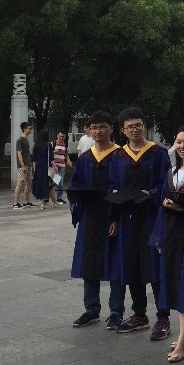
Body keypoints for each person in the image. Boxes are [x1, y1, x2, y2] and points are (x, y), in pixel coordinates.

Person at [108, 107, 172, 339]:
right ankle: (139, 314)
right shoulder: (119, 156)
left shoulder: (158, 153)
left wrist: (151, 194)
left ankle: (163, 317)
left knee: (155, 266)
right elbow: (112, 184)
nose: (134, 129)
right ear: (123, 130)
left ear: (144, 126)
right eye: (129, 127)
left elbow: (167, 183)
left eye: (138, 125)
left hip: (152, 217)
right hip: (127, 218)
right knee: (132, 265)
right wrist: (114, 216)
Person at [150, 126, 184, 361]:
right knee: (176, 279)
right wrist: (159, 236)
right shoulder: (171, 172)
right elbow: (162, 203)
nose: (182, 146)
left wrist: (182, 208)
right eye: (179, 142)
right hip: (172, 234)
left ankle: (182, 341)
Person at [68, 111, 126, 329]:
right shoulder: (85, 158)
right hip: (90, 217)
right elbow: (75, 186)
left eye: (103, 127)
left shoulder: (121, 155)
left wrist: (116, 217)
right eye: (94, 127)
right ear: (89, 131)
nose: (98, 131)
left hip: (112, 216)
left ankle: (116, 311)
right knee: (89, 262)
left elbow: (123, 188)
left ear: (111, 128)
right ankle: (91, 309)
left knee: (115, 264)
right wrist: (77, 201)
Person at [31, 129, 60, 209]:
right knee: (50, 185)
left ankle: (42, 204)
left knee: (40, 185)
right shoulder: (48, 145)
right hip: (47, 168)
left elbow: (34, 159)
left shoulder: (36, 146)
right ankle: (55, 202)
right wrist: (55, 166)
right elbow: (51, 157)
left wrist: (34, 169)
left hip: (39, 168)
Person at [12, 122, 34, 209]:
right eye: (29, 128)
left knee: (29, 182)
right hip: (23, 165)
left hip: (28, 164)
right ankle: (15, 203)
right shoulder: (20, 140)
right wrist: (23, 165)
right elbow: (19, 154)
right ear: (24, 129)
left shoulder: (26, 139)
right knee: (20, 182)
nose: (30, 130)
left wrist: (30, 163)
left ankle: (26, 201)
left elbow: (27, 153)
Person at [52, 131, 72, 204]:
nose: (61, 138)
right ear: (57, 136)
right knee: (52, 182)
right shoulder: (53, 144)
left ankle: (59, 198)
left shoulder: (65, 145)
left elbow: (66, 155)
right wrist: (54, 152)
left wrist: (68, 160)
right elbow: (48, 153)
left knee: (60, 182)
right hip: (54, 166)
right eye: (60, 136)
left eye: (63, 136)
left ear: (65, 137)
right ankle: (47, 198)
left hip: (62, 166)